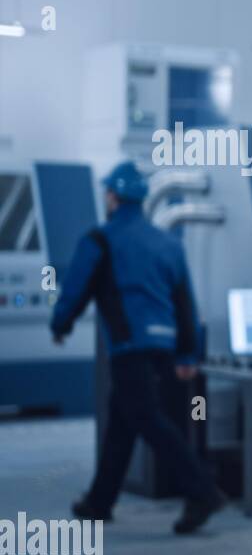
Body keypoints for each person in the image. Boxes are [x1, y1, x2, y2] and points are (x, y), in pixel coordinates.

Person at [51, 160, 226, 535]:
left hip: (129, 346)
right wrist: (187, 353)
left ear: (113, 197)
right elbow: (184, 303)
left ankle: (203, 491)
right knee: (123, 421)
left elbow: (76, 289)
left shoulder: (100, 240)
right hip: (163, 346)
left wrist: (60, 324)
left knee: (145, 418)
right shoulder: (168, 244)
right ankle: (99, 502)